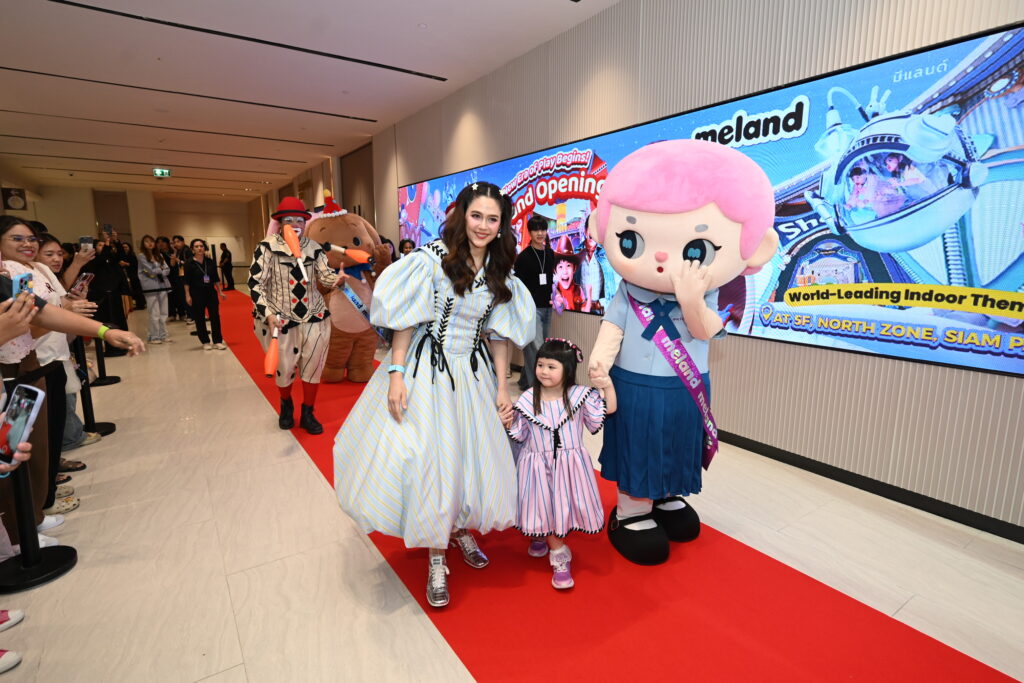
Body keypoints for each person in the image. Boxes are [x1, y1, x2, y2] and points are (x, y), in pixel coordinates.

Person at [333, 181, 535, 608]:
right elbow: (407, 320)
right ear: (462, 216)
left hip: (474, 375)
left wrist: (502, 387)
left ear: (502, 224)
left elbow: (500, 336)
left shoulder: (501, 270)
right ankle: (436, 555)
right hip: (428, 370)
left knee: (468, 457)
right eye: (476, 216)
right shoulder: (430, 260)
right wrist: (396, 373)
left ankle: (458, 527)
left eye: (492, 219)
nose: (483, 226)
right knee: (433, 461)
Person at [587, 140, 778, 565]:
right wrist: (599, 362)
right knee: (638, 444)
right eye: (631, 239)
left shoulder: (707, 293)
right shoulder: (627, 292)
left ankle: (667, 494)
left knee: (675, 441)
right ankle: (632, 511)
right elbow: (613, 327)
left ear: (758, 248)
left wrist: (691, 299)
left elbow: (706, 330)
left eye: (695, 249)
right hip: (634, 386)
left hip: (684, 388)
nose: (660, 257)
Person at [501, 338, 615, 589]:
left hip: (569, 467)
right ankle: (557, 550)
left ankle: (547, 539)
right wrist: (506, 420)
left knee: (560, 505)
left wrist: (607, 385)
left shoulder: (579, 396)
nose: (543, 371)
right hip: (536, 467)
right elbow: (520, 434)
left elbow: (607, 410)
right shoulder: (528, 398)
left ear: (568, 369)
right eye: (540, 365)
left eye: (551, 366)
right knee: (541, 504)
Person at [249, 197, 342, 433]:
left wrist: (337, 279)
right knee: (284, 368)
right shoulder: (267, 247)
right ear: (280, 223)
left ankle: (308, 412)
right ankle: (286, 405)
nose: (294, 224)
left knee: (313, 367)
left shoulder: (314, 248)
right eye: (288, 219)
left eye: (299, 220)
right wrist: (268, 314)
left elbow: (325, 277)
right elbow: (255, 284)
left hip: (314, 317)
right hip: (280, 320)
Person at [513, 215, 555, 390]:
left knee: (540, 346)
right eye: (536, 230)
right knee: (536, 348)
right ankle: (534, 388)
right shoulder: (524, 257)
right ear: (530, 232)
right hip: (531, 308)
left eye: (543, 229)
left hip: (547, 306)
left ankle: (525, 380)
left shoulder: (550, 254)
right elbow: (518, 286)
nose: (540, 233)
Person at [183, 239, 226, 351]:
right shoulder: (189, 263)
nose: (199, 248)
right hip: (196, 293)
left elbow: (215, 278)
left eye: (201, 246)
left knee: (215, 317)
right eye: (196, 246)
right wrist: (187, 295)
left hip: (210, 292)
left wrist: (220, 291)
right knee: (199, 317)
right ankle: (205, 341)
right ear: (192, 249)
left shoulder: (209, 261)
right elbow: (186, 281)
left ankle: (217, 341)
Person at [137, 235, 171, 344]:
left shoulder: (159, 255)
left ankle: (163, 335)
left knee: (164, 312)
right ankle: (154, 336)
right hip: (150, 287)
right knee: (154, 313)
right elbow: (150, 270)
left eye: (151, 241)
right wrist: (160, 269)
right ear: (143, 244)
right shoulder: (142, 256)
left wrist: (159, 270)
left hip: (163, 285)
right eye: (147, 241)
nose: (150, 243)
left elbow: (167, 269)